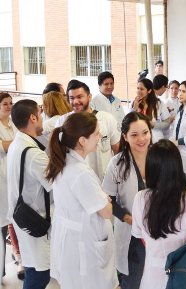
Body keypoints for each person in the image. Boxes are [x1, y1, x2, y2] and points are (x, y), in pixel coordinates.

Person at [131, 139, 186, 289]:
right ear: (178, 167)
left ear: (150, 168)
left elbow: (142, 238)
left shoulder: (140, 199)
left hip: (153, 279)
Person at [46, 112, 117, 289]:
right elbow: (107, 212)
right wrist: (105, 198)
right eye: (96, 133)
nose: (100, 136)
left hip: (72, 237)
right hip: (83, 243)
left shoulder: (64, 161)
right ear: (82, 141)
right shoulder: (80, 172)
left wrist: (101, 197)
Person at [102, 112, 152, 289]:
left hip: (159, 232)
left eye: (145, 132)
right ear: (125, 136)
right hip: (132, 235)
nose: (141, 139)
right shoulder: (117, 164)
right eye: (134, 135)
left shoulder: (160, 158)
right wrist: (129, 219)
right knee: (133, 280)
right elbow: (109, 201)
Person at [7, 99, 52, 289]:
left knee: (35, 269)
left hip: (22, 214)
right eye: (40, 114)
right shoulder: (34, 154)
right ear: (33, 117)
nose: (42, 118)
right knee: (40, 274)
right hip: (34, 217)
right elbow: (56, 184)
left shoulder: (18, 143)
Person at [55, 80, 120, 181]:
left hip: (104, 181)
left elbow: (117, 151)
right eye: (72, 98)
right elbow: (58, 153)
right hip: (76, 181)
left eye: (80, 97)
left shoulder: (106, 119)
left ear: (89, 97)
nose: (75, 101)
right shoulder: (62, 121)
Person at [0, 93, 17, 278]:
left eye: (11, 103)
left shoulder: (13, 124)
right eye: (5, 103)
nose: (9, 106)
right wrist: (20, 142)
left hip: (12, 182)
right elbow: (3, 147)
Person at [133, 78, 170, 143]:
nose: (138, 91)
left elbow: (167, 123)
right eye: (137, 88)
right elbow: (129, 121)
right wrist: (134, 108)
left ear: (149, 91)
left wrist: (153, 125)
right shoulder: (134, 103)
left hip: (155, 140)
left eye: (142, 89)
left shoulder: (158, 103)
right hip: (139, 140)